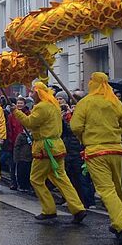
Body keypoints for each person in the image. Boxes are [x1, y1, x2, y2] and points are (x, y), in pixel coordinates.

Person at [70, 73, 122, 245]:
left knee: (106, 190)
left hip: (96, 151)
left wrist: (83, 137)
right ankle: (120, 219)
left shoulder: (86, 102)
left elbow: (75, 126)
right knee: (116, 187)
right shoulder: (115, 101)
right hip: (116, 150)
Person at [13, 82, 87, 223]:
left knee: (36, 179)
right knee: (61, 178)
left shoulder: (42, 107)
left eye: (33, 92)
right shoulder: (53, 105)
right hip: (56, 146)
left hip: (45, 148)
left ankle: (49, 209)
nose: (31, 94)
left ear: (39, 93)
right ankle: (78, 208)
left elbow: (29, 123)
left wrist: (16, 112)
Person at [60, 93, 94, 209]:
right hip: (68, 149)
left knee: (82, 177)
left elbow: (75, 129)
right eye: (72, 106)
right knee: (70, 177)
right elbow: (63, 132)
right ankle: (72, 200)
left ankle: (88, 201)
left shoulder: (84, 116)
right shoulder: (68, 117)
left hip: (79, 149)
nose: (73, 108)